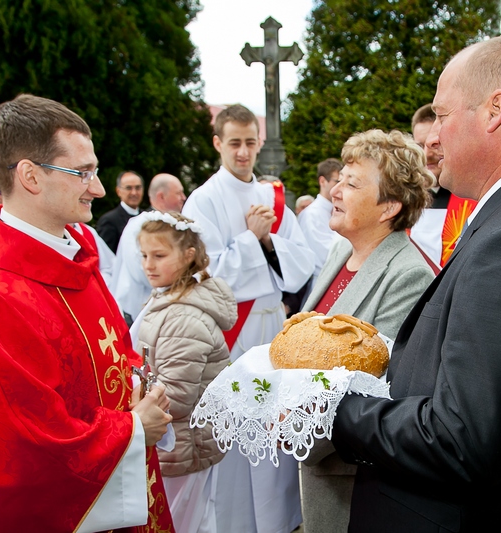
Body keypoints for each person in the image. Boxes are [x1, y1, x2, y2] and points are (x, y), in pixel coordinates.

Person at [330, 35, 501, 532]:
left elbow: (462, 439)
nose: (430, 138)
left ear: (495, 110)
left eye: (442, 115)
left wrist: (329, 410)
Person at [0, 94, 174, 533]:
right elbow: (21, 449)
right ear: (30, 176)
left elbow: (112, 352)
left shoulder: (75, 258)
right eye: (82, 173)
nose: (99, 189)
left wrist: (141, 387)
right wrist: (134, 430)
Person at [182, 104, 312, 533]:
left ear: (259, 144)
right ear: (217, 143)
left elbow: (302, 263)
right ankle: (235, 522)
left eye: (250, 143)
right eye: (234, 143)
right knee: (237, 429)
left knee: (272, 424)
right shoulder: (203, 200)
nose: (243, 152)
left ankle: (277, 521)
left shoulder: (273, 196)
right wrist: (250, 238)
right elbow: (204, 272)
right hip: (232, 333)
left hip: (272, 327)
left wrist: (269, 243)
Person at [299, 129, 434, 533]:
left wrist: (296, 429)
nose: (335, 191)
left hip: (352, 476)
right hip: (314, 457)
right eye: (339, 179)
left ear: (389, 207)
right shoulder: (342, 250)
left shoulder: (409, 275)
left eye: (352, 184)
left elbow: (375, 386)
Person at [131, 211, 236, 533]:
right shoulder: (169, 298)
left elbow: (175, 398)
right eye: (144, 255)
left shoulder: (185, 318)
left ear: (189, 255)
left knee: (180, 524)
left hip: (181, 445)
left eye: (159, 256)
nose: (148, 265)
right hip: (174, 444)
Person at [112, 173, 187, 323]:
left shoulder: (170, 224)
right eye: (178, 193)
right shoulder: (139, 226)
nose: (183, 198)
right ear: (161, 197)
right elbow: (141, 271)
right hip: (138, 313)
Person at [408, 103, 477, 266]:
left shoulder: (473, 197)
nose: (426, 155)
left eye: (435, 144)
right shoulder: (405, 201)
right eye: (419, 146)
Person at [297, 158, 342, 287]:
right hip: (321, 282)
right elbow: (326, 256)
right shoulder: (311, 214)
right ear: (322, 181)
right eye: (337, 181)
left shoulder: (337, 210)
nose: (341, 187)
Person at [96, 170, 144, 251]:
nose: (134, 193)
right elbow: (106, 254)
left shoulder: (146, 216)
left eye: (138, 188)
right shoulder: (109, 221)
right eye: (129, 188)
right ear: (118, 191)